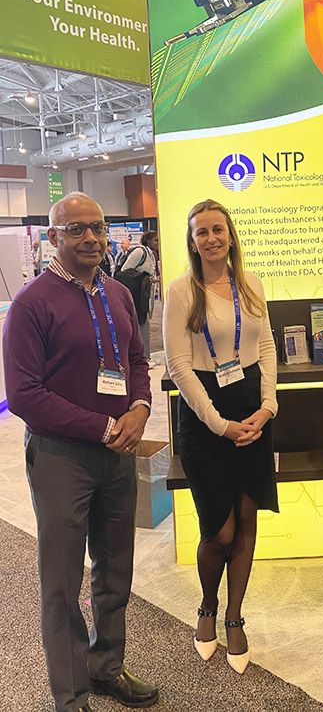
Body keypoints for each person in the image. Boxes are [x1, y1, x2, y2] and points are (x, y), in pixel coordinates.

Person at [2, 192, 157, 712]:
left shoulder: (118, 293)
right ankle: (70, 696)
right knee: (62, 583)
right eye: (76, 229)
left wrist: (140, 407)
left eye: (98, 228)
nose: (91, 237)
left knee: (114, 571)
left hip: (117, 454)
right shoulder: (31, 304)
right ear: (53, 237)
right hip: (61, 457)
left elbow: (137, 359)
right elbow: (24, 395)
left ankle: (106, 668)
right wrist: (102, 426)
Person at [163, 200, 279, 674]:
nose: (211, 238)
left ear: (231, 235)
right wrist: (218, 423)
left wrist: (268, 407)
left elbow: (266, 346)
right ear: (192, 242)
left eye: (218, 229)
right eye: (202, 232)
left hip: (253, 411)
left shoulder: (251, 283)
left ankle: (234, 616)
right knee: (220, 531)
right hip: (205, 418)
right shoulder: (181, 290)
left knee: (247, 518)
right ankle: (207, 606)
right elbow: (178, 366)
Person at [117, 231, 158, 357]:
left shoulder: (152, 254)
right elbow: (124, 271)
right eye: (155, 240)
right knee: (141, 323)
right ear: (148, 241)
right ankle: (142, 357)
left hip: (145, 295)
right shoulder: (140, 252)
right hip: (137, 295)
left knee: (144, 323)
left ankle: (145, 356)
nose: (158, 243)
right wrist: (143, 278)